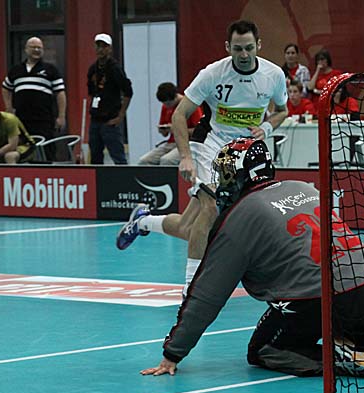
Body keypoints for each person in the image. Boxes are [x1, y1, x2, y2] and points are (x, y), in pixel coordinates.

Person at [139, 137, 364, 378]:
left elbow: (208, 294)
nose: (223, 181)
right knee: (339, 309)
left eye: (227, 174)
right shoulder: (301, 186)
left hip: (319, 300)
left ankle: (337, 357)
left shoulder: (240, 216)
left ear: (242, 175)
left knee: (263, 350)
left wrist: (173, 352)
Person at [116, 20, 288, 295]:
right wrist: (185, 157)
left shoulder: (273, 75)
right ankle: (191, 289)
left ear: (259, 45)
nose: (244, 55)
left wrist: (266, 127)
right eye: (237, 49)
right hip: (209, 145)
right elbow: (179, 115)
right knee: (210, 207)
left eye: (249, 48)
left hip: (243, 153)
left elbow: (282, 110)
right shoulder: (212, 74)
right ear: (227, 47)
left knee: (189, 228)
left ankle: (142, 221)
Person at [2, 37, 66, 161]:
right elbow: (5, 88)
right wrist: (9, 108)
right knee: (22, 150)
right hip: (21, 120)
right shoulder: (16, 70)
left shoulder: (51, 70)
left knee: (46, 151)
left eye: (39, 48)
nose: (36, 50)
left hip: (44, 119)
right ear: (26, 49)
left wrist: (61, 116)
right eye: (33, 47)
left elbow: (60, 93)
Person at [87, 33, 133, 165]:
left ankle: (124, 178)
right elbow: (91, 92)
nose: (100, 49)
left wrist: (120, 115)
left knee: (118, 157)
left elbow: (128, 92)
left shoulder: (115, 68)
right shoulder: (93, 69)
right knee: (95, 157)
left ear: (110, 49)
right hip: (95, 120)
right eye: (98, 46)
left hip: (110, 120)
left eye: (104, 46)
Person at [139, 82, 203, 166]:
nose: (167, 106)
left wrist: (178, 130)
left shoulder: (191, 106)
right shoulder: (165, 107)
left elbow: (199, 132)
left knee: (167, 160)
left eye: (168, 103)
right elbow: (165, 134)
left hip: (188, 143)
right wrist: (164, 130)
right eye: (164, 103)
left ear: (176, 96)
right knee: (144, 161)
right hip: (171, 143)